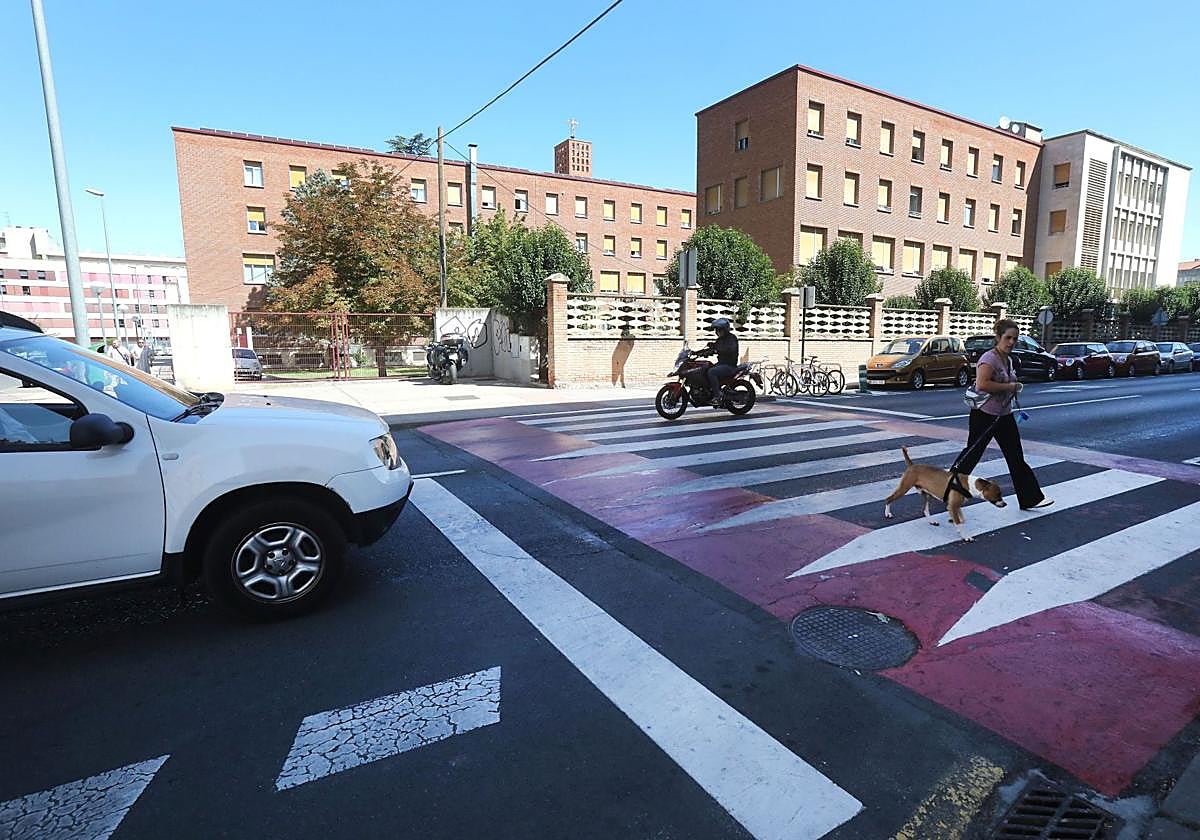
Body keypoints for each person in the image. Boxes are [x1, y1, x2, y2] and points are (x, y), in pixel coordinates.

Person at [952, 318, 1053, 510]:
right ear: (998, 337)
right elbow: (982, 384)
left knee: (1016, 456)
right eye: (1008, 338)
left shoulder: (1008, 359)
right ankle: (948, 487)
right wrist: (1010, 386)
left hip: (1004, 415)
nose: (1011, 342)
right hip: (985, 415)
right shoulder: (989, 358)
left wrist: (1012, 388)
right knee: (972, 454)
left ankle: (1030, 498)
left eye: (1015, 339)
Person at [699, 318, 739, 407]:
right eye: (716, 330)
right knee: (705, 368)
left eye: (719, 330)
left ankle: (717, 396)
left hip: (729, 366)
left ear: (724, 329)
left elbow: (730, 349)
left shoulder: (731, 338)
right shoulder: (720, 340)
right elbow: (714, 348)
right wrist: (699, 353)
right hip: (721, 364)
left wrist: (717, 349)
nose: (717, 332)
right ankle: (710, 392)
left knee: (711, 372)